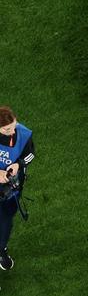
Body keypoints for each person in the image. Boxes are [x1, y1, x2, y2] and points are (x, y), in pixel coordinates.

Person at [0, 107, 34, 272]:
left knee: (6, 218)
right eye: (7, 129)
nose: (13, 131)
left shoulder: (23, 133)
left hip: (11, 187)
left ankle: (1, 249)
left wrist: (18, 164)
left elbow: (31, 154)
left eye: (14, 125)